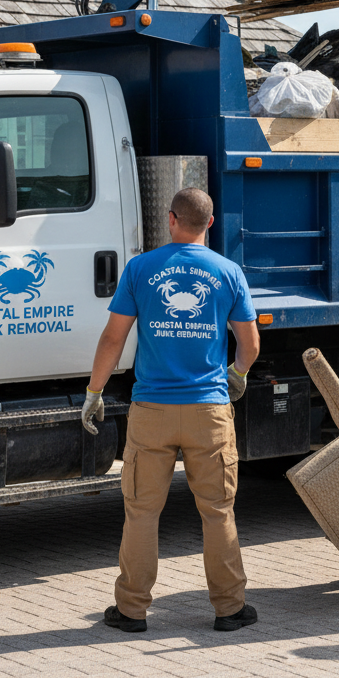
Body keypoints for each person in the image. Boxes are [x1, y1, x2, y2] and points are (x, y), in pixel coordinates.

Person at [81, 187, 260, 634]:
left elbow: (112, 338)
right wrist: (237, 374)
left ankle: (132, 610)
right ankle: (229, 609)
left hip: (152, 410)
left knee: (142, 512)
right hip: (209, 410)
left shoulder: (141, 268)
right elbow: (251, 344)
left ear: (170, 219)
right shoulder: (229, 271)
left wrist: (94, 391)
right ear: (211, 224)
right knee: (217, 511)